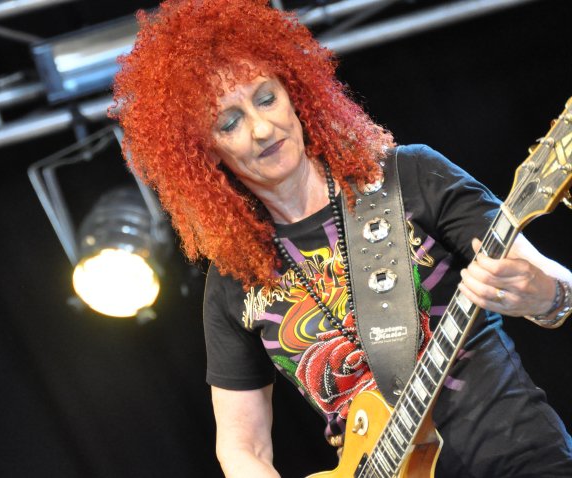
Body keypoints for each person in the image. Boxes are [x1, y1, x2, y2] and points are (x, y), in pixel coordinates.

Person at [110, 0, 572, 476]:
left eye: (266, 98)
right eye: (229, 123)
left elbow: (555, 282)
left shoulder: (409, 176)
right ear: (205, 151)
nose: (262, 128)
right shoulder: (235, 281)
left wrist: (546, 296)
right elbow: (241, 447)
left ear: (293, 91)